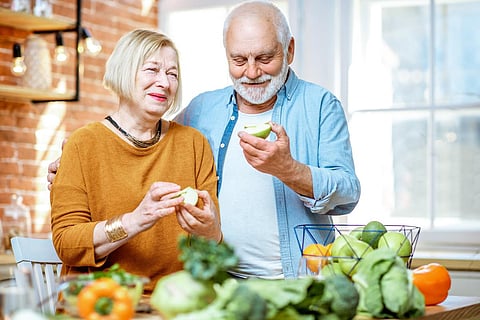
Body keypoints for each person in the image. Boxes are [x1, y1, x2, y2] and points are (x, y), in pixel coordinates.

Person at [48, 1, 360, 279]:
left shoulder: (320, 105)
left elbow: (348, 194)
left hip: (298, 277)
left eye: (264, 58)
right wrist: (74, 165)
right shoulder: (201, 111)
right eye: (239, 59)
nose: (252, 72)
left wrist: (288, 169)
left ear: (289, 50)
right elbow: (136, 128)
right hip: (221, 280)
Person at [49, 28, 222, 293]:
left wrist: (210, 230)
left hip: (176, 305)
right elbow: (67, 244)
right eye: (152, 70)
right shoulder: (82, 144)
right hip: (102, 303)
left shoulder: (194, 144)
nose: (164, 82)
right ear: (123, 72)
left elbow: (210, 245)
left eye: (172, 74)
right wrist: (136, 220)